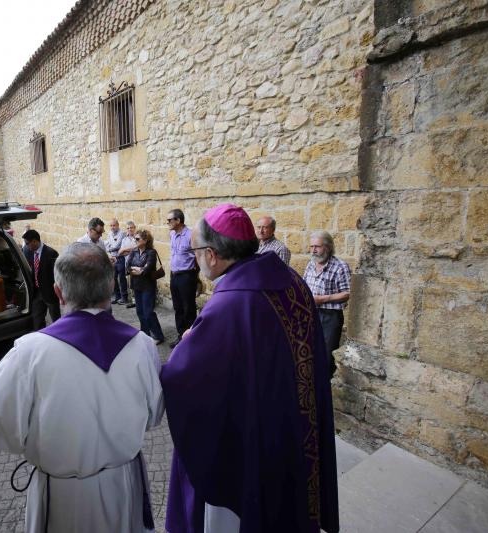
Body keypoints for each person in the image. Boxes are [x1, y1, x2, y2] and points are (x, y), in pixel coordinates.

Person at [161, 204, 339, 533]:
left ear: (212, 255)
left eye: (195, 251)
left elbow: (183, 378)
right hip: (292, 429)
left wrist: (188, 346)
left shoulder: (231, 303)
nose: (195, 258)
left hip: (249, 442)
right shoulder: (291, 281)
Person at [0, 243, 164, 532]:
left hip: (62, 494)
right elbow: (154, 416)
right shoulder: (142, 345)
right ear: (109, 286)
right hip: (122, 485)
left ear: (58, 292)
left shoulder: (29, 352)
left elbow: (0, 426)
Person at [303, 230, 351, 377]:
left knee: (326, 354)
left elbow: (348, 293)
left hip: (330, 316)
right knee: (309, 350)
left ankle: (325, 387)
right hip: (310, 313)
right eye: (311, 247)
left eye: (317, 246)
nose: (313, 250)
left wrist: (323, 299)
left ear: (328, 247)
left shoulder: (340, 266)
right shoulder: (311, 264)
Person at [126, 229, 165, 345]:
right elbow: (128, 266)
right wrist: (137, 270)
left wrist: (139, 270)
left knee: (148, 312)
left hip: (148, 286)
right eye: (135, 238)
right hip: (136, 285)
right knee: (139, 311)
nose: (135, 240)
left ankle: (158, 335)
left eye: (137, 239)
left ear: (145, 240)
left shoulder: (151, 252)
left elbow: (148, 269)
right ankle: (145, 333)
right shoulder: (134, 251)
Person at [167, 209, 197, 348]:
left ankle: (192, 338)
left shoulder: (191, 235)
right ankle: (181, 336)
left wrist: (194, 275)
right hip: (174, 275)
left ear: (178, 220)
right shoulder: (172, 234)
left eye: (169, 220)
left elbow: (198, 256)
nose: (168, 223)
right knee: (177, 307)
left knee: (188, 308)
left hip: (186, 275)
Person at [21, 229, 60, 329]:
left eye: (27, 243)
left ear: (35, 241)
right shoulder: (28, 252)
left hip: (50, 294)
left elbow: (57, 276)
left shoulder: (51, 254)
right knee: (37, 321)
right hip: (36, 293)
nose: (26, 246)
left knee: (56, 322)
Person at [105, 218, 127, 304]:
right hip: (112, 258)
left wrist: (110, 248)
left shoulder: (122, 233)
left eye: (114, 225)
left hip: (120, 258)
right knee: (113, 278)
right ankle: (117, 296)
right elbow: (107, 245)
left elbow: (117, 245)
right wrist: (110, 248)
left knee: (121, 278)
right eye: (111, 225)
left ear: (118, 225)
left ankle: (124, 297)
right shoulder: (109, 233)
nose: (112, 227)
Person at [118, 221, 138, 308]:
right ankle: (134, 301)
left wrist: (126, 250)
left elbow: (138, 249)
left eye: (131, 228)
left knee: (137, 283)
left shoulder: (137, 238)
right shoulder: (124, 240)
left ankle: (138, 301)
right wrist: (132, 249)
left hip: (137, 264)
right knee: (131, 284)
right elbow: (120, 253)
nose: (130, 229)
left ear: (134, 228)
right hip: (128, 264)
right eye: (128, 228)